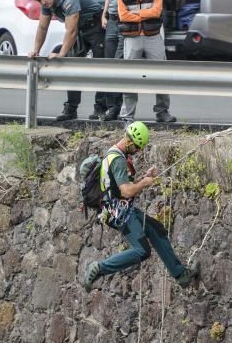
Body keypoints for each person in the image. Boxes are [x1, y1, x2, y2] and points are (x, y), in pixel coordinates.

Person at [84, 121, 199, 293]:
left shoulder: (114, 153)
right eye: (138, 147)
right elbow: (127, 191)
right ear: (130, 142)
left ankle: (181, 275)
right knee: (142, 251)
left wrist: (143, 178)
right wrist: (145, 182)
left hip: (120, 208)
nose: (138, 151)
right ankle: (99, 268)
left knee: (157, 230)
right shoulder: (118, 160)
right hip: (118, 213)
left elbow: (121, 188)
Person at [28, 0, 109, 121]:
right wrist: (35, 50)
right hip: (80, 30)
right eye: (39, 0)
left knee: (100, 68)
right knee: (72, 67)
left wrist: (61, 54)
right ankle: (71, 109)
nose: (43, 3)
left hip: (95, 26)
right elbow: (42, 27)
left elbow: (71, 31)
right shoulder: (46, 4)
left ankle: (100, 109)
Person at [117, 0, 177, 123]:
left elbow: (157, 11)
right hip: (132, 37)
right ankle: (127, 116)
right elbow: (123, 16)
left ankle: (162, 112)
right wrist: (144, 15)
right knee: (130, 77)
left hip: (153, 35)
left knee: (162, 74)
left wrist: (136, 13)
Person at [99, 0, 127, 121]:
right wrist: (104, 14)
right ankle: (111, 108)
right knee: (108, 63)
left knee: (120, 63)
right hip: (111, 21)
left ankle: (120, 107)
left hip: (126, 23)